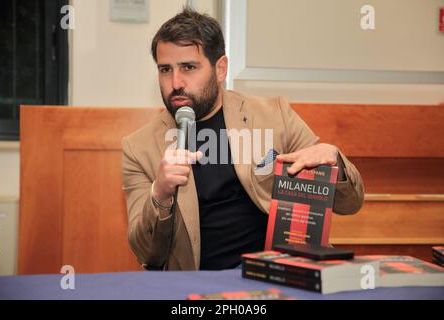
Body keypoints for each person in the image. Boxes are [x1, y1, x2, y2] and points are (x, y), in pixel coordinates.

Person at [122, 8, 364, 271]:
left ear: (220, 69)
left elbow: (350, 203)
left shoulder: (275, 116)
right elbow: (146, 254)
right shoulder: (139, 148)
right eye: (165, 69)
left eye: (189, 67)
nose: (176, 82)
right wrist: (160, 193)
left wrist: (334, 164)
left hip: (278, 273)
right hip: (196, 284)